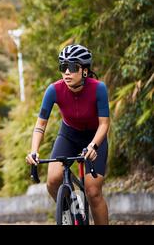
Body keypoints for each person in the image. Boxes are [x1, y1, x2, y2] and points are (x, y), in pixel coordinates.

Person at [25, 44, 110, 224]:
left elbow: (104, 124)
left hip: (95, 137)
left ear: (85, 71)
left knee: (93, 192)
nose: (67, 73)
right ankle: (72, 213)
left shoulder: (98, 88)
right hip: (68, 135)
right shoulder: (54, 90)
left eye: (72, 67)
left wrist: (93, 145)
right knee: (53, 182)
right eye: (63, 67)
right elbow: (40, 124)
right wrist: (34, 150)